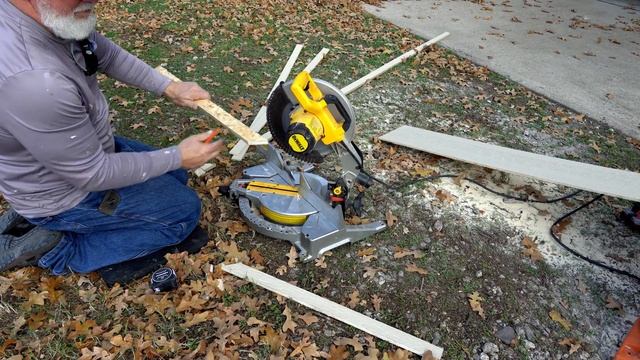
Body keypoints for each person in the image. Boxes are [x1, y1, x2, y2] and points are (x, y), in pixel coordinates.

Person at [0, 0, 225, 283]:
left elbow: (101, 53)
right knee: (184, 213)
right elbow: (93, 173)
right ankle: (58, 248)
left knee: (177, 176)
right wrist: (177, 155)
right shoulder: (34, 82)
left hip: (78, 150)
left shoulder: (54, 18)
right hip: (65, 191)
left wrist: (168, 86)